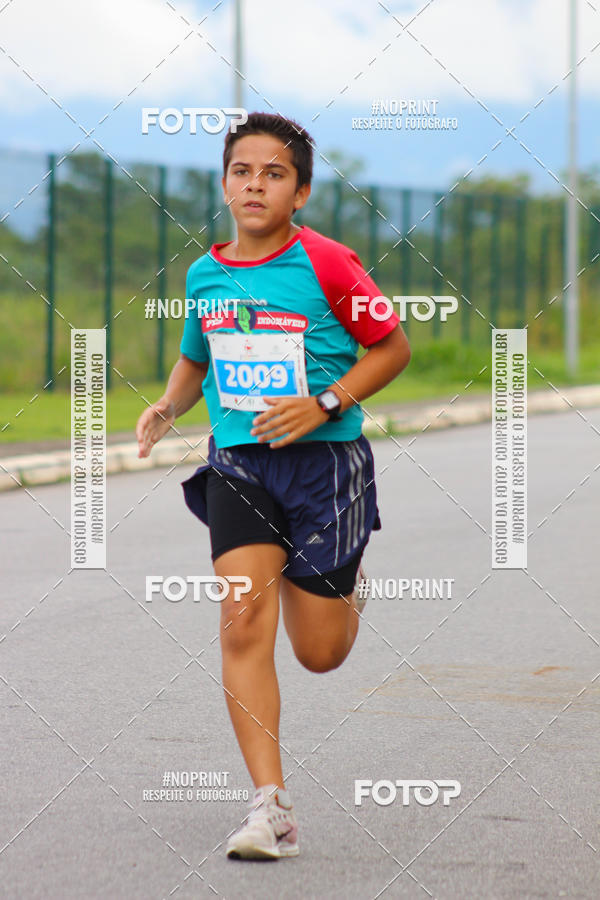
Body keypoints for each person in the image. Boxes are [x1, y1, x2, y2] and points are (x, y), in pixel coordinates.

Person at [136, 111, 411, 860]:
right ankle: (270, 807)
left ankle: (344, 591)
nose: (255, 184)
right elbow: (196, 359)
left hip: (326, 468)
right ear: (225, 183)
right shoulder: (204, 273)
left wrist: (324, 401)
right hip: (241, 465)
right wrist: (168, 403)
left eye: (275, 173)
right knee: (242, 619)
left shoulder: (327, 263)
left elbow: (392, 349)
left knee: (319, 653)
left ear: (302, 193)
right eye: (243, 171)